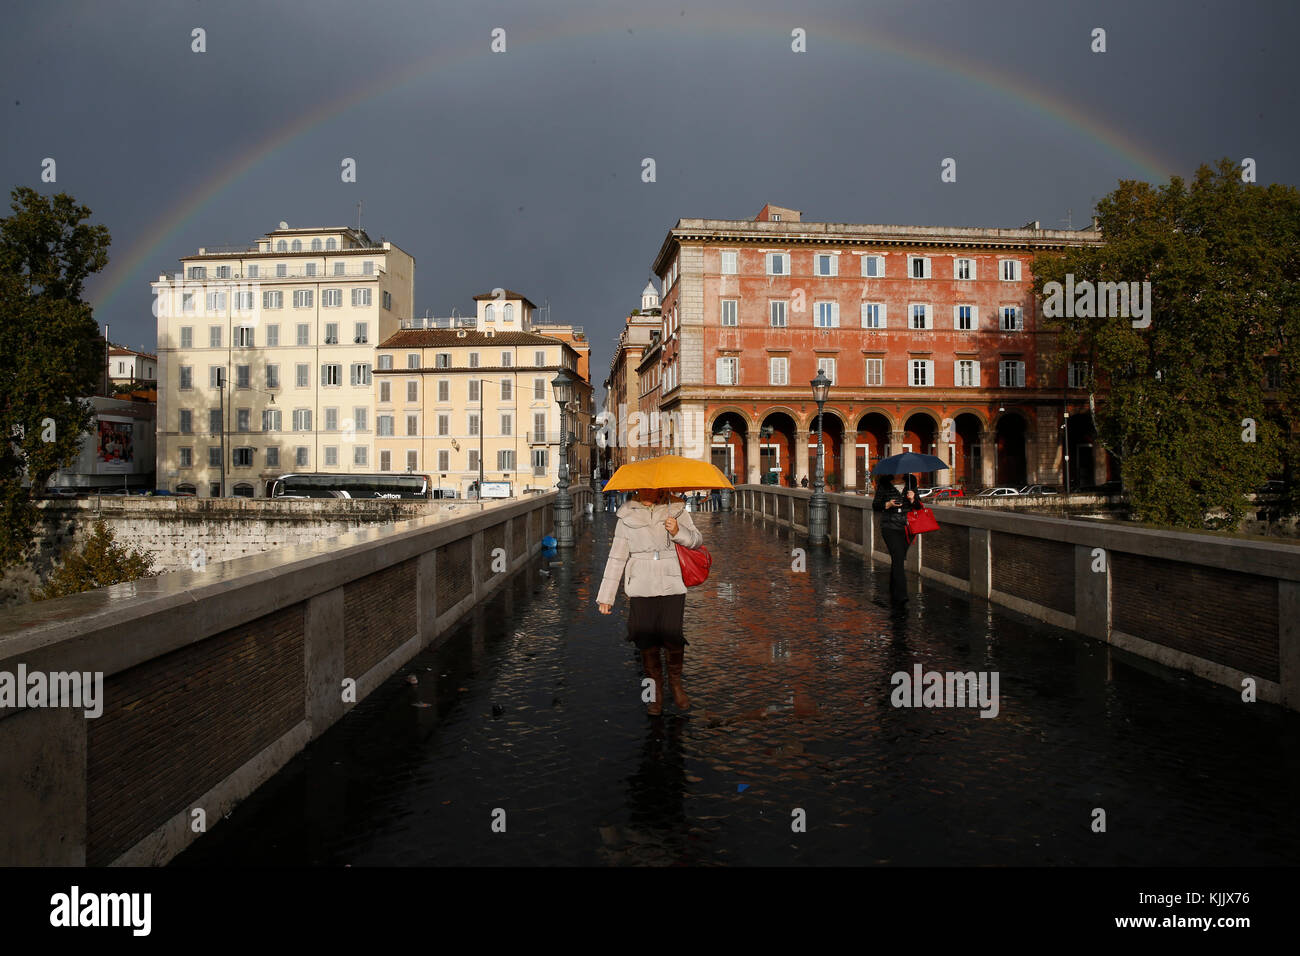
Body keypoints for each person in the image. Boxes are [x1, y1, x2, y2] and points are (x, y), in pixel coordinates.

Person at [597, 487, 703, 715]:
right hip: (640, 583)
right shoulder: (626, 514)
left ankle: (676, 684)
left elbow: (696, 541)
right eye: (644, 488)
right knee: (645, 639)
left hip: (672, 580)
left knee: (672, 634)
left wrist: (678, 531)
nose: (648, 492)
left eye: (652, 489)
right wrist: (606, 596)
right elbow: (617, 557)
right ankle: (654, 691)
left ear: (661, 489)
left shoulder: (677, 509)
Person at [873, 473, 922, 606]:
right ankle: (901, 595)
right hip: (889, 526)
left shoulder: (911, 480)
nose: (899, 473)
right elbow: (875, 505)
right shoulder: (884, 481)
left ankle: (893, 588)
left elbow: (918, 506)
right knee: (898, 558)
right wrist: (888, 504)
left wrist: (913, 499)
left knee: (898, 559)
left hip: (907, 528)